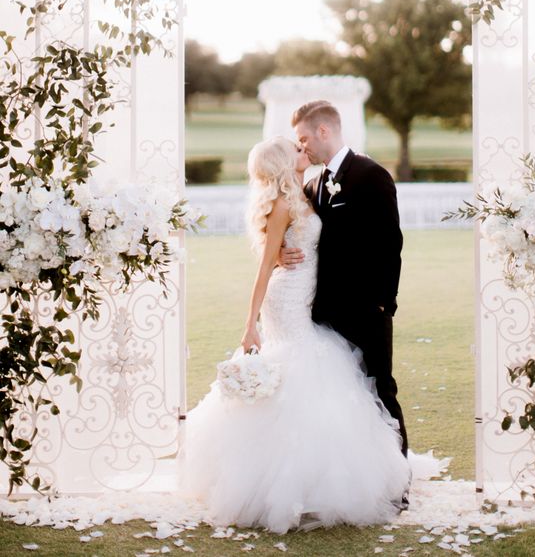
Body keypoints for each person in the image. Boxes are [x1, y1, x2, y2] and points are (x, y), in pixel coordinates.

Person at [179, 136, 446, 534]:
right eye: (295, 147)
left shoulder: (306, 191)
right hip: (287, 299)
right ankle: (283, 482)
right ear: (286, 161)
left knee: (314, 373)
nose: (303, 148)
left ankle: (318, 478)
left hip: (310, 294)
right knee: (300, 370)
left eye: (303, 143)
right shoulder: (285, 203)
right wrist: (249, 324)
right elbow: (265, 264)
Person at [284, 101, 409, 466]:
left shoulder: (371, 175)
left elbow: (391, 243)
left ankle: (398, 476)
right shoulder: (312, 184)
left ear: (324, 131)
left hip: (367, 310)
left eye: (304, 137)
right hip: (322, 310)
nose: (301, 146)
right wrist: (279, 255)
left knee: (379, 390)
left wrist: (385, 303)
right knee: (339, 398)